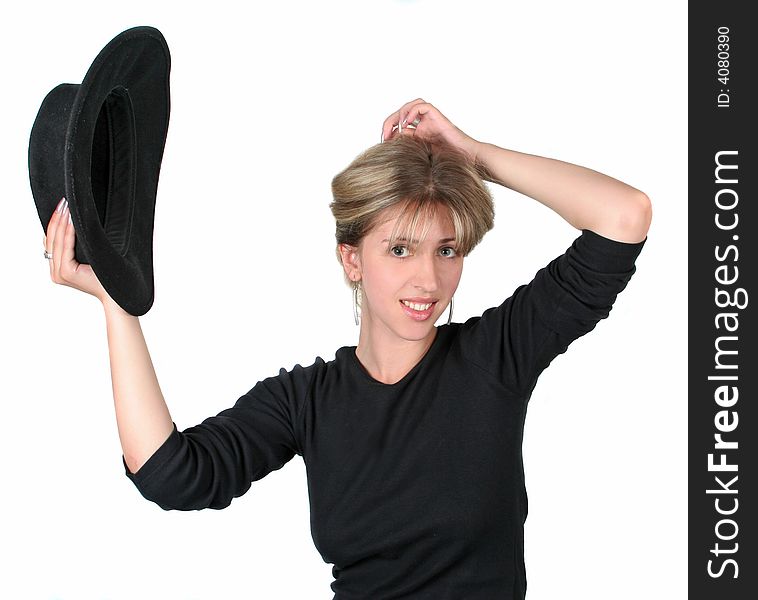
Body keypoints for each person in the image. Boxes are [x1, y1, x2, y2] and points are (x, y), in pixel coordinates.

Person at [43, 98, 651, 598]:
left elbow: (623, 216)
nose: (428, 281)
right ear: (351, 258)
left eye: (447, 250)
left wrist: (473, 157)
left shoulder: (495, 356)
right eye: (400, 249)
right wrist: (116, 305)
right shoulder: (306, 401)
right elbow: (171, 476)